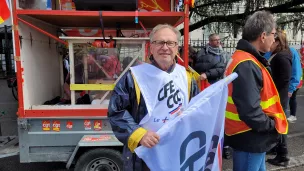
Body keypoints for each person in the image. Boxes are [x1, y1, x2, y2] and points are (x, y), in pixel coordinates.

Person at [108, 24, 199, 171]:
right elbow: (116, 112)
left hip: (178, 151)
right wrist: (139, 135)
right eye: (159, 42)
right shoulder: (133, 76)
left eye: (170, 43)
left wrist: (189, 117)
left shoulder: (187, 77)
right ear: (151, 48)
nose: (165, 47)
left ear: (177, 48)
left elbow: (198, 109)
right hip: (144, 155)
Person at [224, 11, 288, 171]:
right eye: (273, 34)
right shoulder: (247, 63)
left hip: (248, 135)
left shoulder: (242, 58)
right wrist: (271, 126)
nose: (274, 39)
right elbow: (250, 111)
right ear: (263, 36)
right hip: (250, 136)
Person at [266, 30, 292, 167]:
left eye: (272, 40)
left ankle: (283, 155)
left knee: (279, 125)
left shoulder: (281, 56)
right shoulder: (280, 54)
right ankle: (279, 151)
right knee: (278, 124)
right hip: (277, 96)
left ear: (277, 42)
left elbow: (284, 78)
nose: (270, 44)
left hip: (278, 97)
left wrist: (272, 88)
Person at [287, 47, 303, 122]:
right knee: (292, 98)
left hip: (295, 80)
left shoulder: (292, 51)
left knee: (292, 98)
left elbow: (297, 71)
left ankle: (293, 115)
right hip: (296, 80)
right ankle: (292, 115)